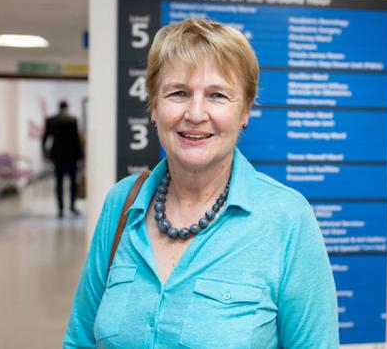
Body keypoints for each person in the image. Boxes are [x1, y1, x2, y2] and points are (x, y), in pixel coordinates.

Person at [64, 18, 338, 348]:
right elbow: (80, 339)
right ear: (154, 106)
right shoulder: (122, 203)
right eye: (178, 93)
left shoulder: (287, 218)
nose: (195, 114)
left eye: (217, 95)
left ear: (246, 111)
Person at [42, 100, 83, 218]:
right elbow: (76, 141)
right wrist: (81, 158)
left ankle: (60, 209)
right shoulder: (73, 120)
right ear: (67, 107)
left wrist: (44, 153)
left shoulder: (51, 120)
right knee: (73, 183)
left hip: (58, 158)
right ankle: (72, 206)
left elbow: (45, 138)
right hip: (71, 158)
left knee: (59, 183)